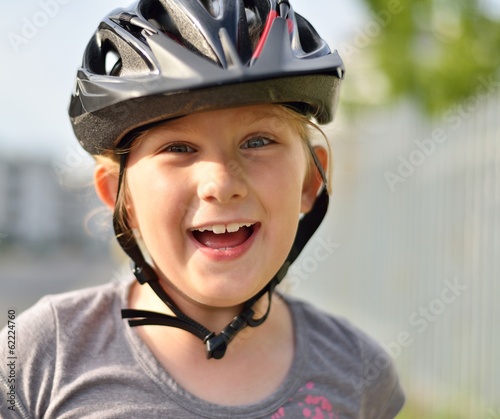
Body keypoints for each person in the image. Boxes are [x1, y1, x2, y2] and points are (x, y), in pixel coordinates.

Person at [0, 0, 405, 417]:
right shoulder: (40, 355)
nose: (222, 185)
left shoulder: (358, 373)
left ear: (309, 182)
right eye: (178, 148)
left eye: (258, 141)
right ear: (120, 197)